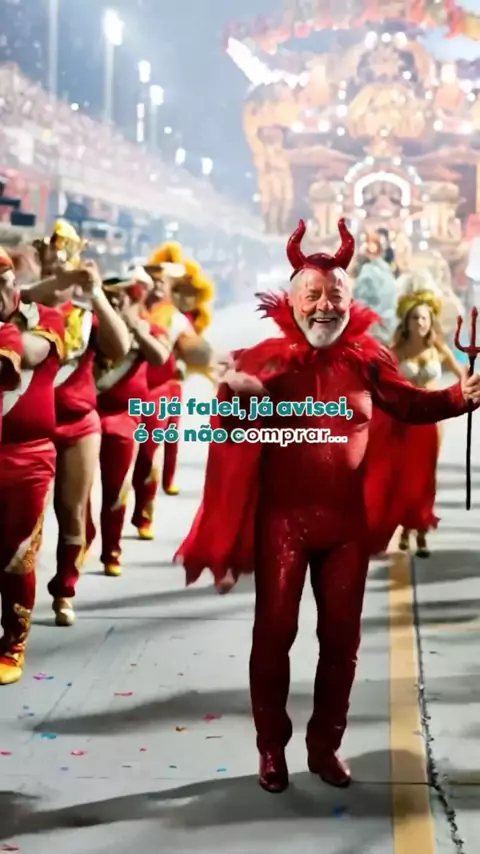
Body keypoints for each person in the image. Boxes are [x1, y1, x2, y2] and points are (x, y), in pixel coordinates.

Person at [175, 219, 480, 792]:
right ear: (292, 302)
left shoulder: (369, 359)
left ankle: (325, 746)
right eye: (312, 296)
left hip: (345, 527)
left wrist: (456, 397)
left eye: (334, 296)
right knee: (274, 634)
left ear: (350, 301)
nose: (323, 307)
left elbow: (408, 405)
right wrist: (235, 398)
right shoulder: (264, 363)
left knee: (342, 640)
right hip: (283, 523)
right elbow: (233, 433)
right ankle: (271, 748)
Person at [23, 245, 130, 626]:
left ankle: (64, 590)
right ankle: (18, 596)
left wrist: (95, 291)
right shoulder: (23, 312)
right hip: (29, 430)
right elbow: (26, 293)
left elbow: (121, 346)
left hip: (78, 424)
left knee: (71, 511)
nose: (57, 276)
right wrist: (63, 277)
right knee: (22, 519)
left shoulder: (85, 318)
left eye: (63, 268)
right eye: (49, 268)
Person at [0, 248, 65, 685]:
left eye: (3, 282)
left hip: (27, 458)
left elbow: (29, 351)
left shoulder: (47, 318)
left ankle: (13, 643)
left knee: (16, 555)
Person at [365, 272, 462, 558]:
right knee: (405, 477)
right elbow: (378, 380)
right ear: (406, 322)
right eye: (415, 318)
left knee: (425, 478)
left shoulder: (438, 349)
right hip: (403, 422)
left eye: (424, 318)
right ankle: (406, 529)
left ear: (431, 321)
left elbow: (463, 376)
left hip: (431, 424)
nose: (420, 322)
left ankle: (421, 531)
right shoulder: (395, 351)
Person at [85, 271, 172, 577]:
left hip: (127, 416)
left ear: (132, 298)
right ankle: (84, 539)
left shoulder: (147, 327)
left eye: (120, 297)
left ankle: (112, 550)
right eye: (109, 297)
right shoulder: (89, 326)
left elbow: (161, 358)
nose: (115, 302)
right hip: (90, 413)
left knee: (117, 485)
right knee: (79, 489)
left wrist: (137, 331)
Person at [131, 258, 212, 528]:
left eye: (160, 283)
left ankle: (145, 512)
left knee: (152, 450)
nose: (155, 287)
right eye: (150, 282)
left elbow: (196, 352)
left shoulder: (176, 318)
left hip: (160, 389)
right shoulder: (129, 310)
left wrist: (189, 357)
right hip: (128, 388)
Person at [352, 231, 398, 344]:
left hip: (375, 329)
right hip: (388, 327)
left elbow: (361, 303)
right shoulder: (386, 270)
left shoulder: (369, 271)